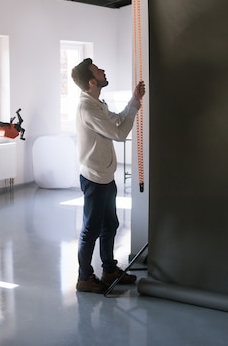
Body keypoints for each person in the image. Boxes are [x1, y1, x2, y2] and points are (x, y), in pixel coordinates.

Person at [71, 58, 146, 293]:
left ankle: (109, 269)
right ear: (93, 81)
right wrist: (134, 109)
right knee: (91, 229)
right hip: (94, 178)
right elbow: (119, 133)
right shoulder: (88, 108)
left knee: (110, 225)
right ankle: (84, 278)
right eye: (98, 70)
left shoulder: (97, 104)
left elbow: (116, 119)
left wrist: (134, 101)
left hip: (105, 175)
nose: (103, 70)